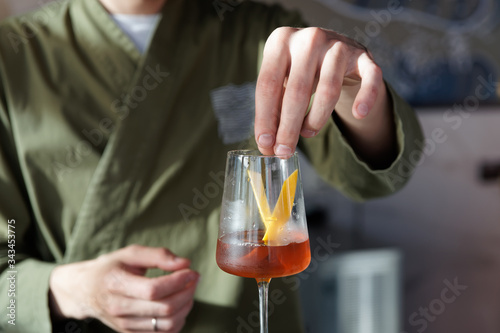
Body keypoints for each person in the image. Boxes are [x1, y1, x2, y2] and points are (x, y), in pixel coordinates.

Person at [0, 0, 423, 332]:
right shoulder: (13, 57)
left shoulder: (259, 34)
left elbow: (376, 176)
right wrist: (64, 290)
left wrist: (352, 90)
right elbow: (8, 285)